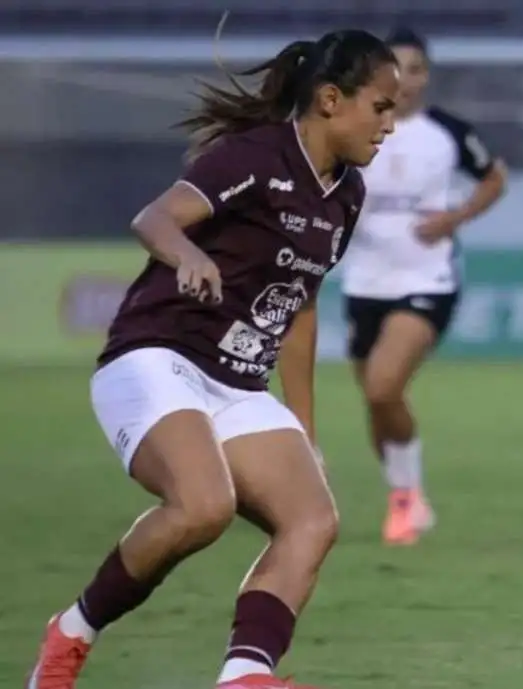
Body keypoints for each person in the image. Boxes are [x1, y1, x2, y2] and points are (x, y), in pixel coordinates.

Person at [25, 29, 399, 689]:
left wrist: (304, 431)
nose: (390, 125)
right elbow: (154, 219)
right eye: (382, 107)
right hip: (155, 355)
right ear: (332, 100)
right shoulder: (253, 156)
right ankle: (70, 634)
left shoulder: (346, 194)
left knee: (312, 519)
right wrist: (189, 253)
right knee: (203, 507)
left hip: (236, 383)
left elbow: (301, 306)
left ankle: (244, 675)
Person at [340, 26, 507, 546]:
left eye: (414, 70)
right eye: (394, 69)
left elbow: (494, 177)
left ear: (426, 75)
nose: (404, 80)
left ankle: (406, 500)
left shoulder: (448, 132)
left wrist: (454, 218)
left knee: (383, 385)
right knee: (376, 401)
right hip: (364, 279)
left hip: (426, 279)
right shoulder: (352, 125)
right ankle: (405, 496)